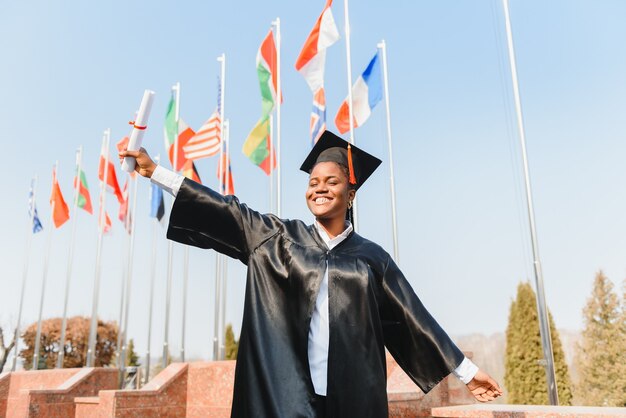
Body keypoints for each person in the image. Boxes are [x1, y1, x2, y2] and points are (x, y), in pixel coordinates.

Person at [120, 130, 502, 418]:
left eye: (331, 182)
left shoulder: (372, 257)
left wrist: (467, 372)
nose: (319, 189)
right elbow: (226, 210)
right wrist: (157, 173)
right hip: (286, 396)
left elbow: (414, 317)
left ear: (351, 194)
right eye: (313, 183)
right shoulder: (278, 237)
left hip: (353, 398)